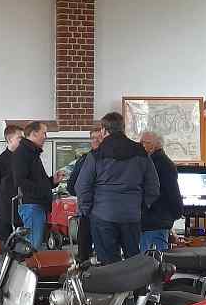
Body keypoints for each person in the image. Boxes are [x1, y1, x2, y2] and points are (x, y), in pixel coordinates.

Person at [74, 112, 160, 263]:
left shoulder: (96, 155)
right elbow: (153, 186)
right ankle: (136, 279)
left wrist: (87, 210)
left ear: (103, 130)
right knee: (133, 261)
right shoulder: (141, 153)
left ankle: (113, 279)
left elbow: (82, 186)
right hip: (131, 216)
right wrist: (141, 206)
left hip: (102, 215)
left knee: (109, 264)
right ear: (123, 128)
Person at [11, 121, 64, 249]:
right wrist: (41, 192)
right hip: (32, 206)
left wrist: (52, 181)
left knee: (34, 246)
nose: (45, 137)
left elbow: (37, 181)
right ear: (34, 134)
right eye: (43, 133)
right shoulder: (23, 153)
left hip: (36, 206)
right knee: (32, 247)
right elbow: (20, 181)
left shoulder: (32, 153)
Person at [139, 131, 183, 252]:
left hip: (154, 220)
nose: (140, 145)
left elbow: (172, 192)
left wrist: (177, 213)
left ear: (154, 145)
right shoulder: (152, 162)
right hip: (157, 219)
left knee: (150, 258)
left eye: (144, 142)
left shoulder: (162, 165)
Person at [65, 126, 102, 263]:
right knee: (84, 250)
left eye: (99, 138)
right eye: (93, 138)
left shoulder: (110, 159)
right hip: (87, 210)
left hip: (102, 211)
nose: (96, 141)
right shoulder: (83, 159)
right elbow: (72, 185)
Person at [0, 124, 22, 253]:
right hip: (4, 214)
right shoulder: (0, 162)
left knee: (20, 249)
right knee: (2, 248)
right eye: (19, 138)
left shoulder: (23, 159)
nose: (22, 141)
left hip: (20, 212)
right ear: (10, 139)